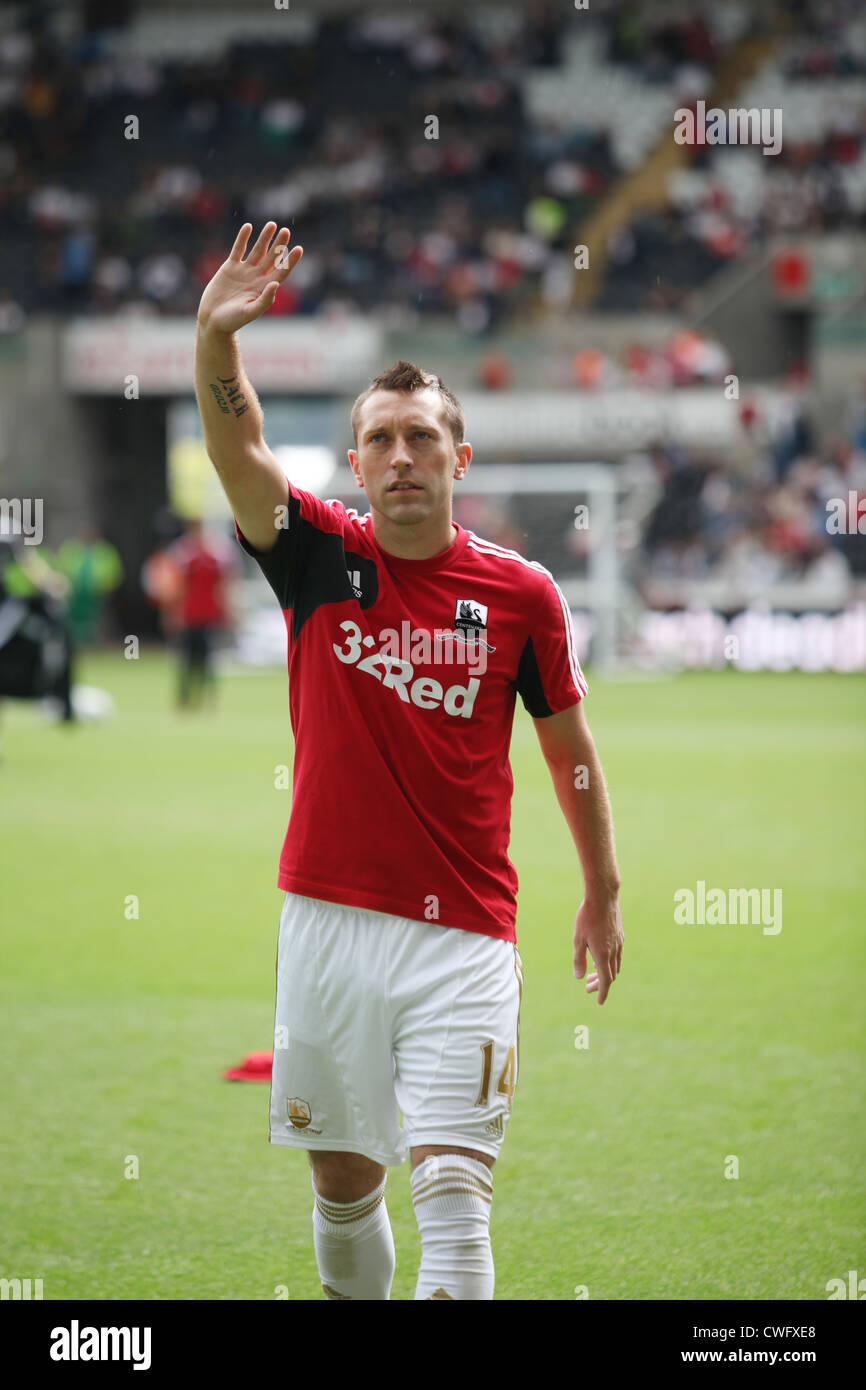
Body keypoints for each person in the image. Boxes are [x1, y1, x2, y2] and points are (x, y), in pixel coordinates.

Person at [194, 222, 624, 1301]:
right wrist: (214, 341)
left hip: (464, 936)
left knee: (451, 1196)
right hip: (327, 924)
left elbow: (568, 748)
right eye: (379, 438)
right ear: (354, 462)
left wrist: (602, 890)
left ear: (458, 457)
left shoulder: (521, 596)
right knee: (343, 1188)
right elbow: (235, 448)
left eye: (421, 437)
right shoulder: (314, 556)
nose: (399, 456)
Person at [161, 519, 237, 710]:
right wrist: (172, 612)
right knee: (186, 659)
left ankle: (207, 698)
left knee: (208, 659)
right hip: (188, 615)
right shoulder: (181, 553)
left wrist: (228, 609)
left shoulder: (218, 552)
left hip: (210, 614)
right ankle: (184, 699)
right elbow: (175, 586)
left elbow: (225, 583)